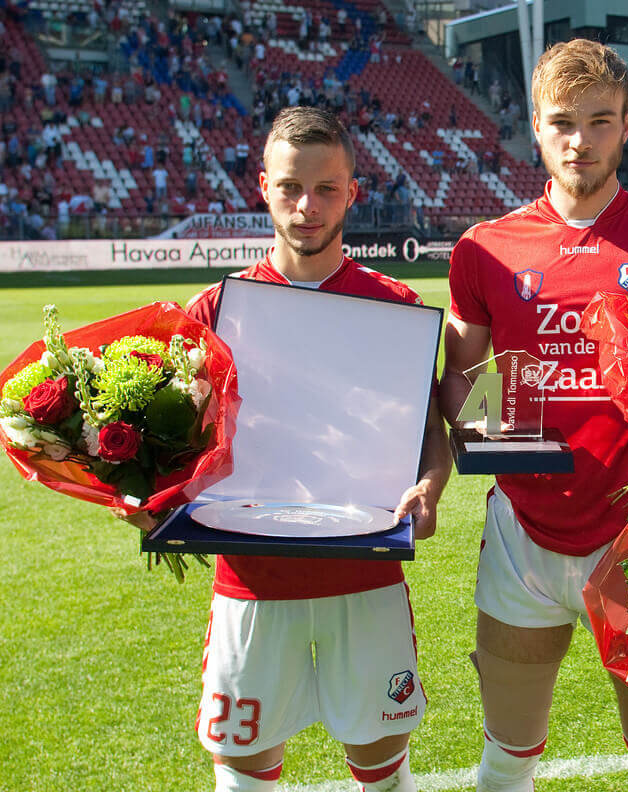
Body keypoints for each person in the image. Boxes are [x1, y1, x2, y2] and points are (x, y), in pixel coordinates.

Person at [441, 40, 628, 792]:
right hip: (521, 536)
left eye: (600, 121)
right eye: (563, 122)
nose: (581, 140)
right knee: (507, 759)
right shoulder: (485, 250)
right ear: (536, 126)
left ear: (627, 125)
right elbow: (463, 388)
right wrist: (479, 420)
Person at [181, 107, 450, 792]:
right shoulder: (214, 311)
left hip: (364, 577)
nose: (308, 207)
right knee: (244, 771)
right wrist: (143, 497)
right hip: (251, 580)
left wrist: (429, 487)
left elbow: (429, 434)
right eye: (291, 187)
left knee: (382, 769)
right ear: (262, 186)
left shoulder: (394, 306)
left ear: (353, 193)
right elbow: (176, 445)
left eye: (327, 188)